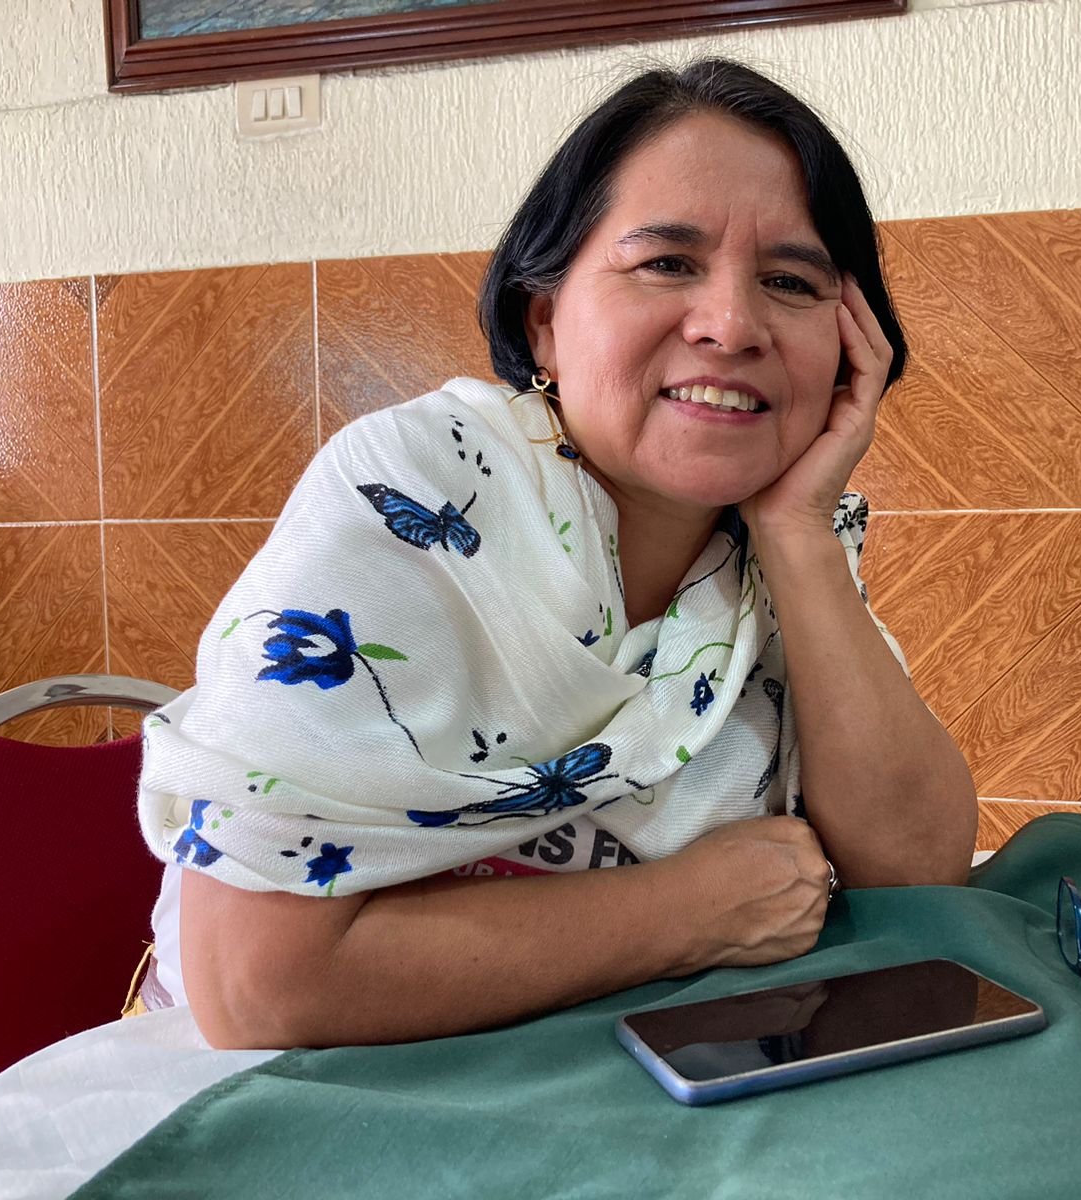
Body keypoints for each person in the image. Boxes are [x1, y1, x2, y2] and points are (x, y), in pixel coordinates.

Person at [136, 57, 978, 1050]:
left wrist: (798, 535)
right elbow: (258, 990)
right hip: (294, 1093)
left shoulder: (769, 549)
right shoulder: (418, 490)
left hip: (639, 1076)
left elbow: (915, 872)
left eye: (790, 283)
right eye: (666, 263)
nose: (731, 326)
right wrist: (686, 912)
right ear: (544, 319)